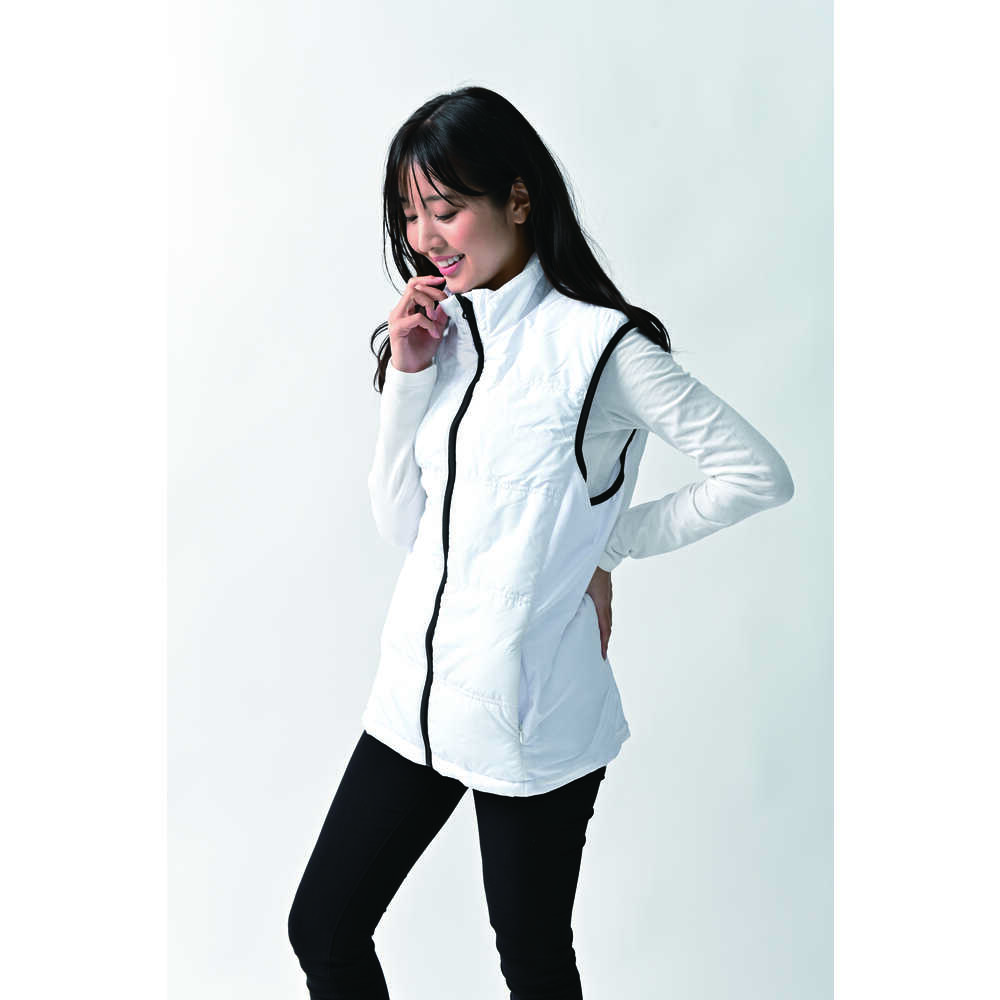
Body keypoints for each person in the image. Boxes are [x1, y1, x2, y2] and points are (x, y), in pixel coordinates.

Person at [287, 85, 794, 999]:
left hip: (533, 717)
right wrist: (408, 376)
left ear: (517, 198)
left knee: (530, 956)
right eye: (410, 215)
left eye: (445, 209)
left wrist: (605, 547)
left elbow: (757, 474)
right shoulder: (443, 338)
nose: (425, 237)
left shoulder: (603, 350)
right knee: (323, 926)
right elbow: (401, 524)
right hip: (413, 697)